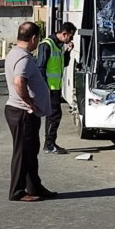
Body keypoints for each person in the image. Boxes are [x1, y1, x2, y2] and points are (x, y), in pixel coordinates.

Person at [4, 22, 56, 202]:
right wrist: (29, 103)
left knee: (30, 151)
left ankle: (35, 187)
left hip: (22, 112)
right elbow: (19, 81)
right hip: (22, 112)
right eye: (37, 39)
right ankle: (17, 191)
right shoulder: (23, 58)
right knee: (23, 152)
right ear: (33, 38)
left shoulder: (15, 53)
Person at [36, 21, 77, 154]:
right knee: (54, 115)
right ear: (64, 34)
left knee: (54, 115)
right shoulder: (46, 45)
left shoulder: (58, 46)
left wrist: (68, 52)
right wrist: (45, 87)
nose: (71, 39)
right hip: (50, 87)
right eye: (70, 37)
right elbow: (40, 67)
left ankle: (50, 143)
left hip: (56, 86)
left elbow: (64, 64)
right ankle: (49, 144)